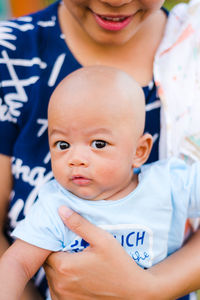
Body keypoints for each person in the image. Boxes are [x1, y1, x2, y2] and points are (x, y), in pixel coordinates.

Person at [0, 0, 200, 299]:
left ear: (141, 150)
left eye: (99, 144)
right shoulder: (58, 204)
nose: (116, 1)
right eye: (63, 145)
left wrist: (152, 287)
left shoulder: (169, 183)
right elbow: (16, 262)